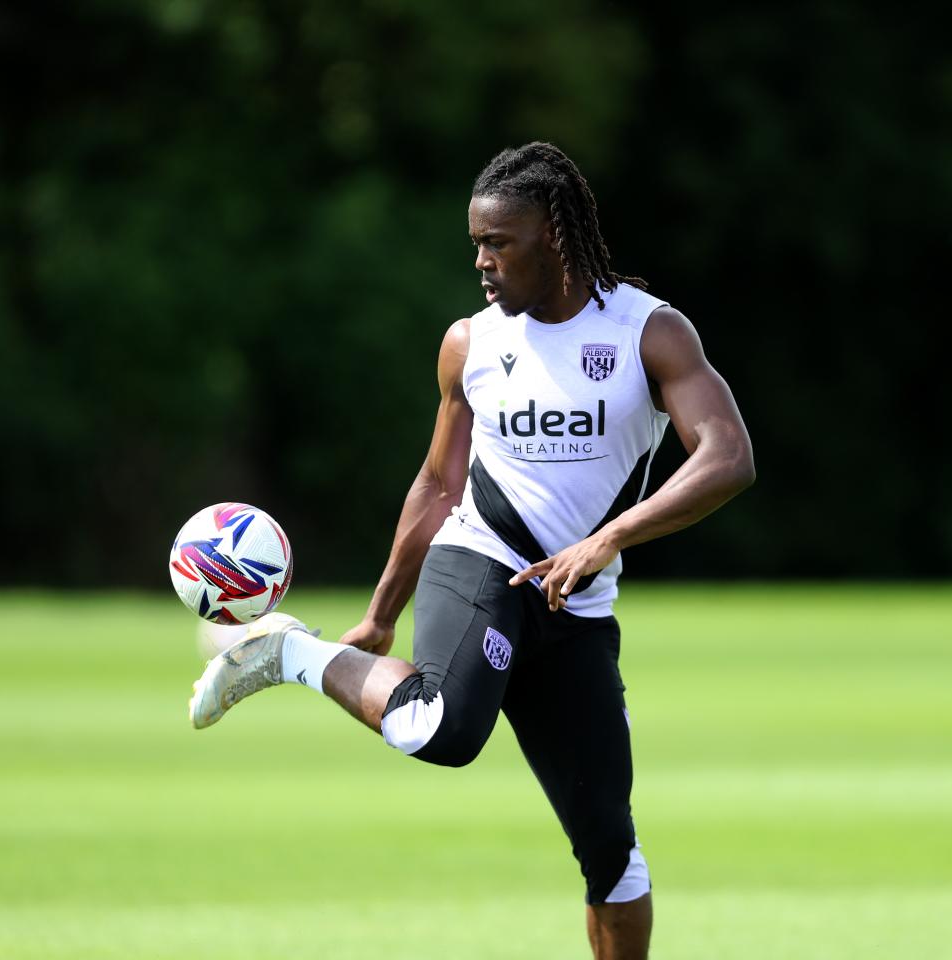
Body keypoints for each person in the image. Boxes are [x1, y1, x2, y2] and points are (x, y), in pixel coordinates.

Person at [189, 141, 755, 960]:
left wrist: (607, 540)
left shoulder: (649, 332)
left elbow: (728, 457)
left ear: (553, 236)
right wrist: (380, 614)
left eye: (498, 243)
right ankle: (288, 654)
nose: (481, 263)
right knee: (441, 730)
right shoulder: (470, 343)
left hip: (577, 604)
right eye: (476, 245)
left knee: (611, 849)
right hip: (481, 556)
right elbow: (437, 484)